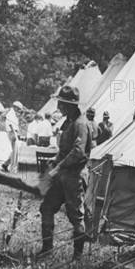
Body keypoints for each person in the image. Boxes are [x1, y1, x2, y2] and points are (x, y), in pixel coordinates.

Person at [39, 85, 92, 259]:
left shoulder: (80, 124)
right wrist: (54, 161)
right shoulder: (68, 121)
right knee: (46, 207)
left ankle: (77, 259)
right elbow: (65, 150)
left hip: (74, 176)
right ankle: (47, 250)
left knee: (77, 218)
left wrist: (58, 167)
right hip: (62, 175)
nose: (59, 106)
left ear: (70, 105)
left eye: (61, 103)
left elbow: (77, 152)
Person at [2, 101, 23, 172]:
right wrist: (14, 133)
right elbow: (10, 124)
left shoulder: (13, 113)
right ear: (15, 107)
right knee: (14, 151)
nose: (18, 110)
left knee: (15, 150)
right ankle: (13, 168)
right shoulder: (11, 113)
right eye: (18, 108)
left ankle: (5, 164)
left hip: (13, 132)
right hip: (11, 132)